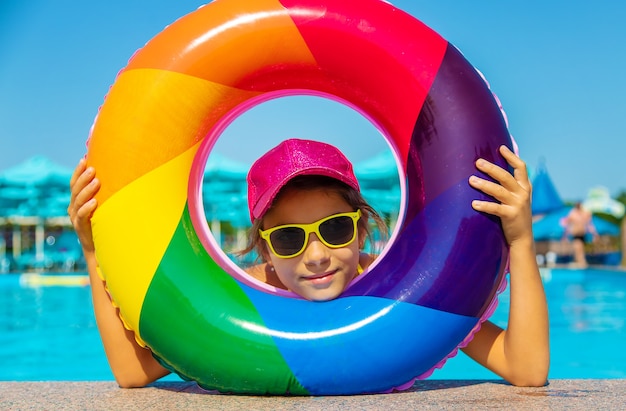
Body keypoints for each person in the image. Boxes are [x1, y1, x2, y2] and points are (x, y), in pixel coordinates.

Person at [68, 138, 549, 388]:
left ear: (361, 229)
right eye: (289, 239)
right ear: (264, 249)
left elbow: (525, 370)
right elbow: (134, 375)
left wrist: (521, 241)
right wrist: (93, 252)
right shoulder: (236, 302)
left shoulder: (403, 294)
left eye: (335, 229)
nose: (316, 256)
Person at [562, 202, 598, 268]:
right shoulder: (573, 213)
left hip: (581, 234)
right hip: (576, 234)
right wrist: (565, 236)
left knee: (579, 249)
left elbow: (589, 224)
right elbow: (568, 225)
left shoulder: (584, 214)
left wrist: (594, 234)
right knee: (578, 248)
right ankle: (581, 262)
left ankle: (581, 262)